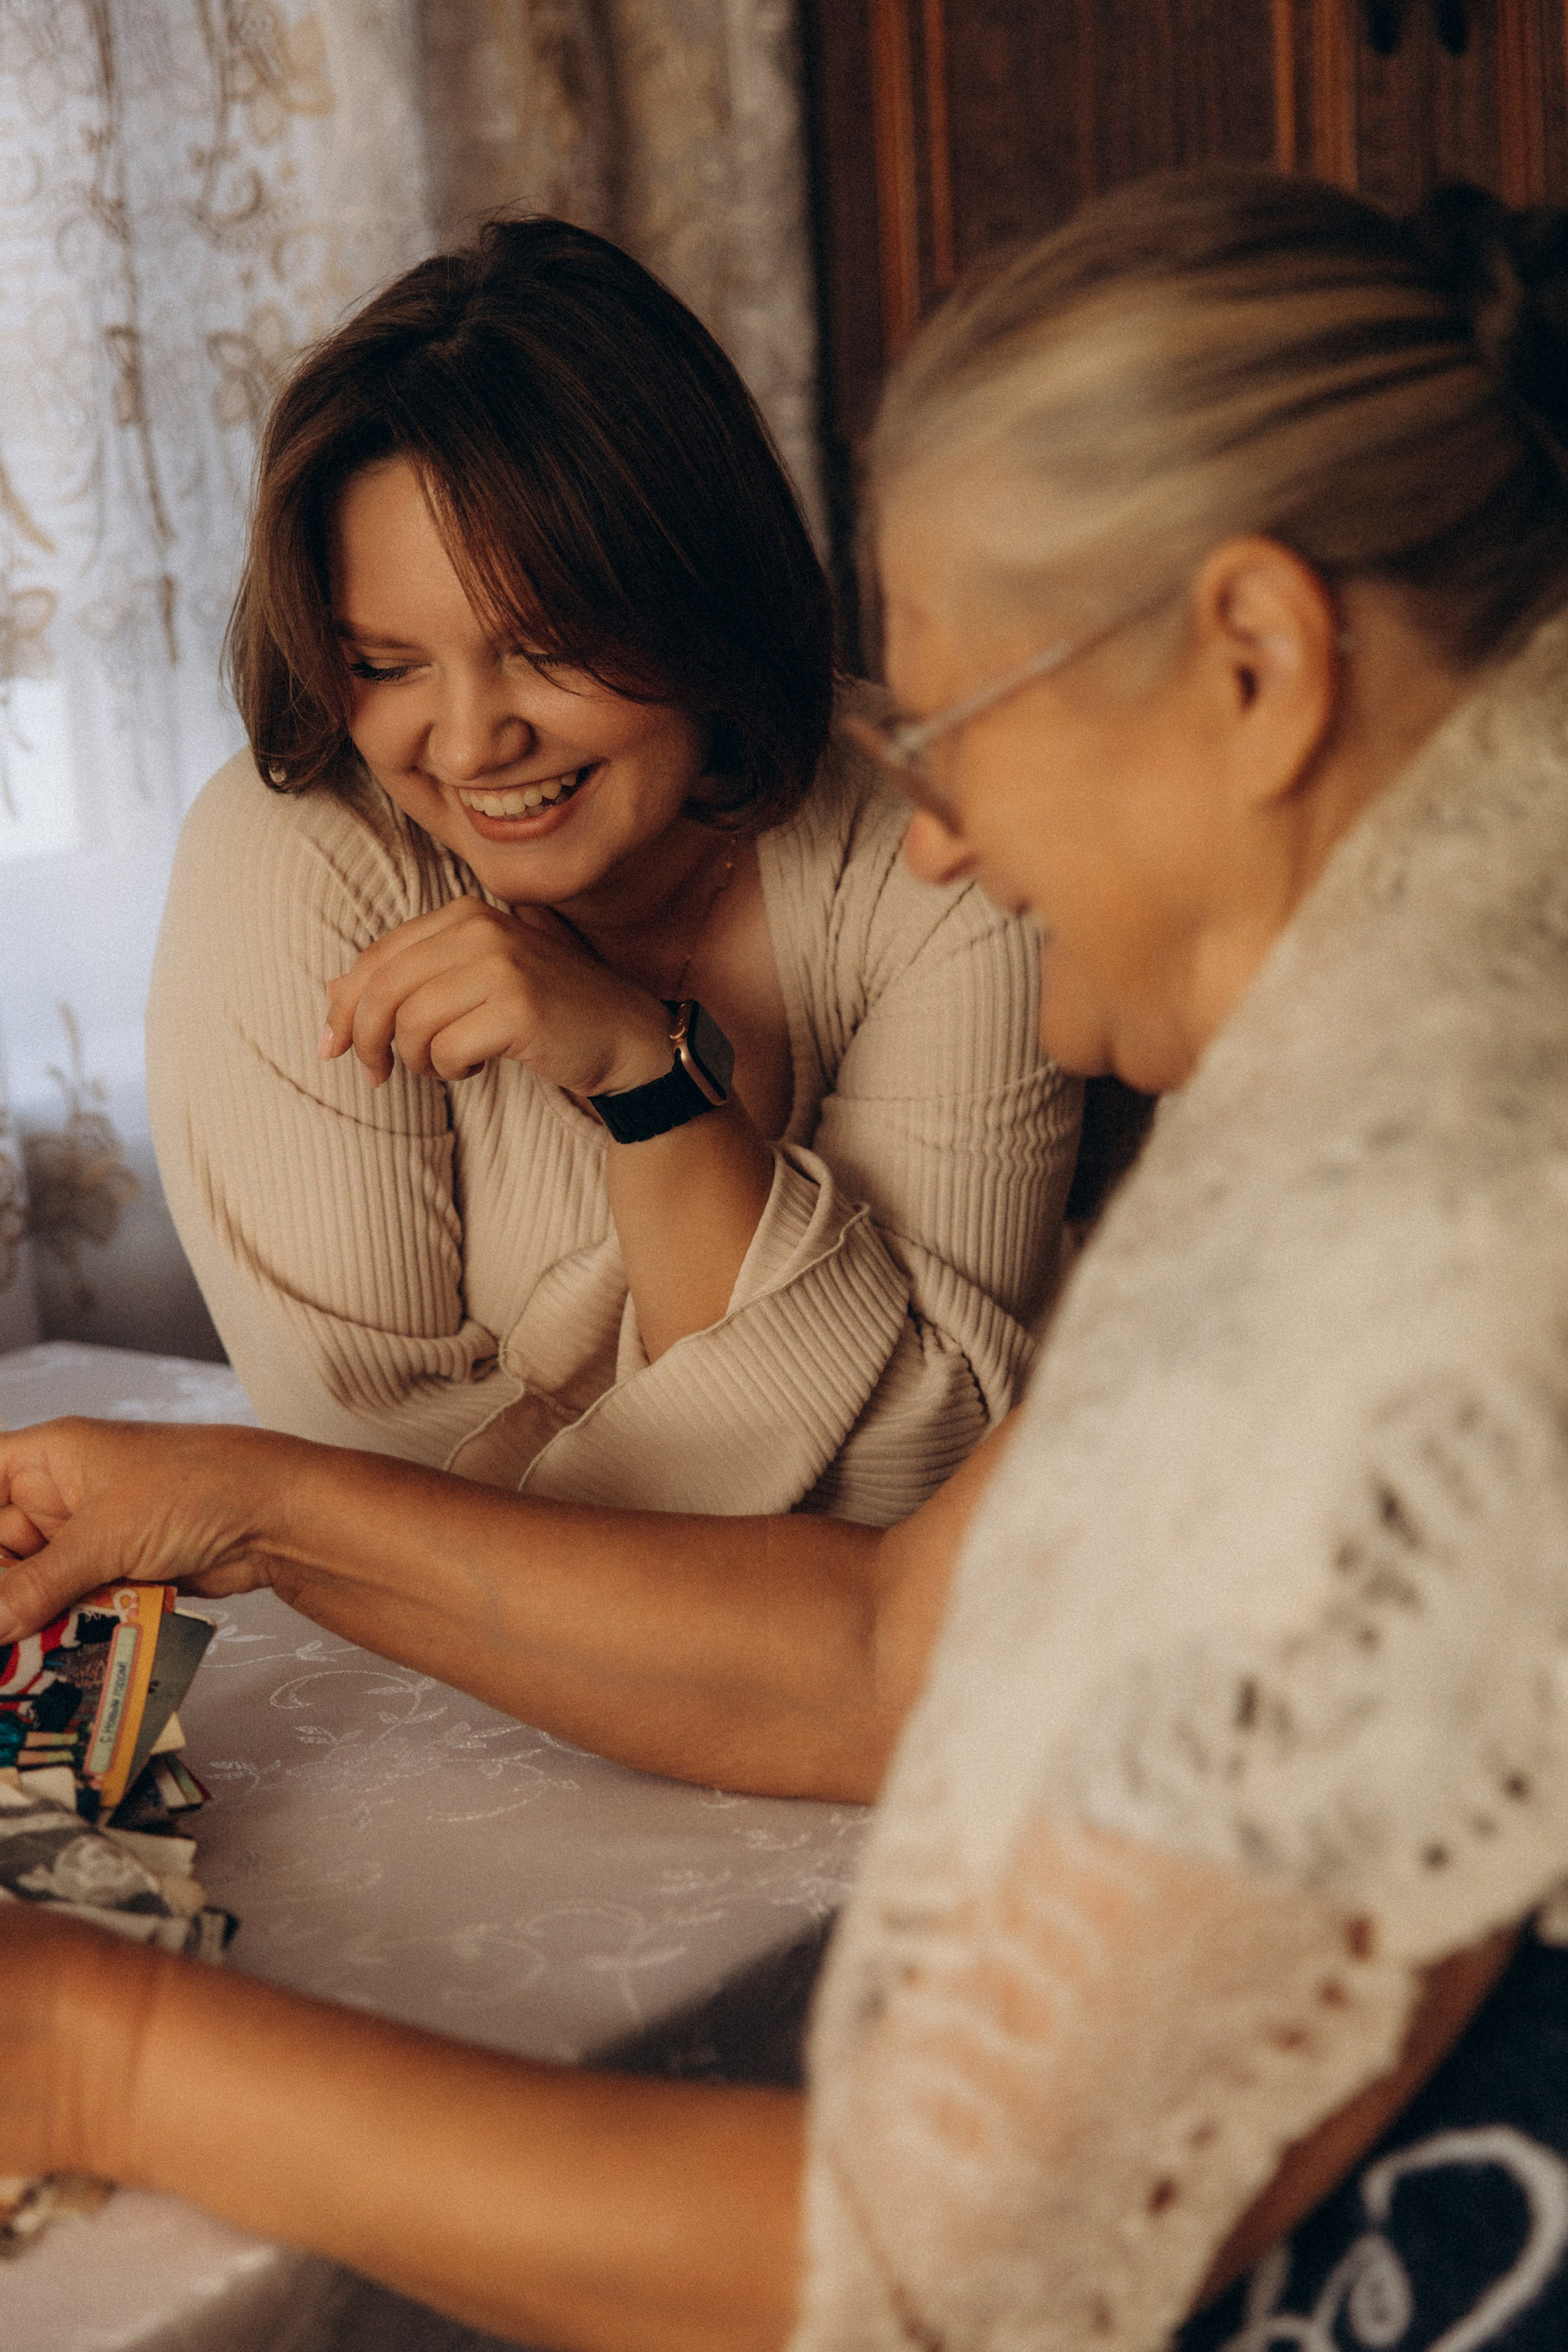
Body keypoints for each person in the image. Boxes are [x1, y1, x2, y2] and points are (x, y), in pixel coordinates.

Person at [5, 165, 1568, 2351]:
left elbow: (930, 2255)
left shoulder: (1439, 1228)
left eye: (953, 726)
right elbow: (879, 1655)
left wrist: (89, 2051)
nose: (932, 834)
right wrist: (252, 1500)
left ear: (1257, 662)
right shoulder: (1386, 1083)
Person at [144, 217, 1074, 1525]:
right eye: (388, 664)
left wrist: (649, 1081)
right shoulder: (291, 860)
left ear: (699, 593)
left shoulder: (939, 848)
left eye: (546, 646)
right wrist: (784, 1424)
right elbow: (365, 1480)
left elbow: (923, 1480)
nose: (468, 744)